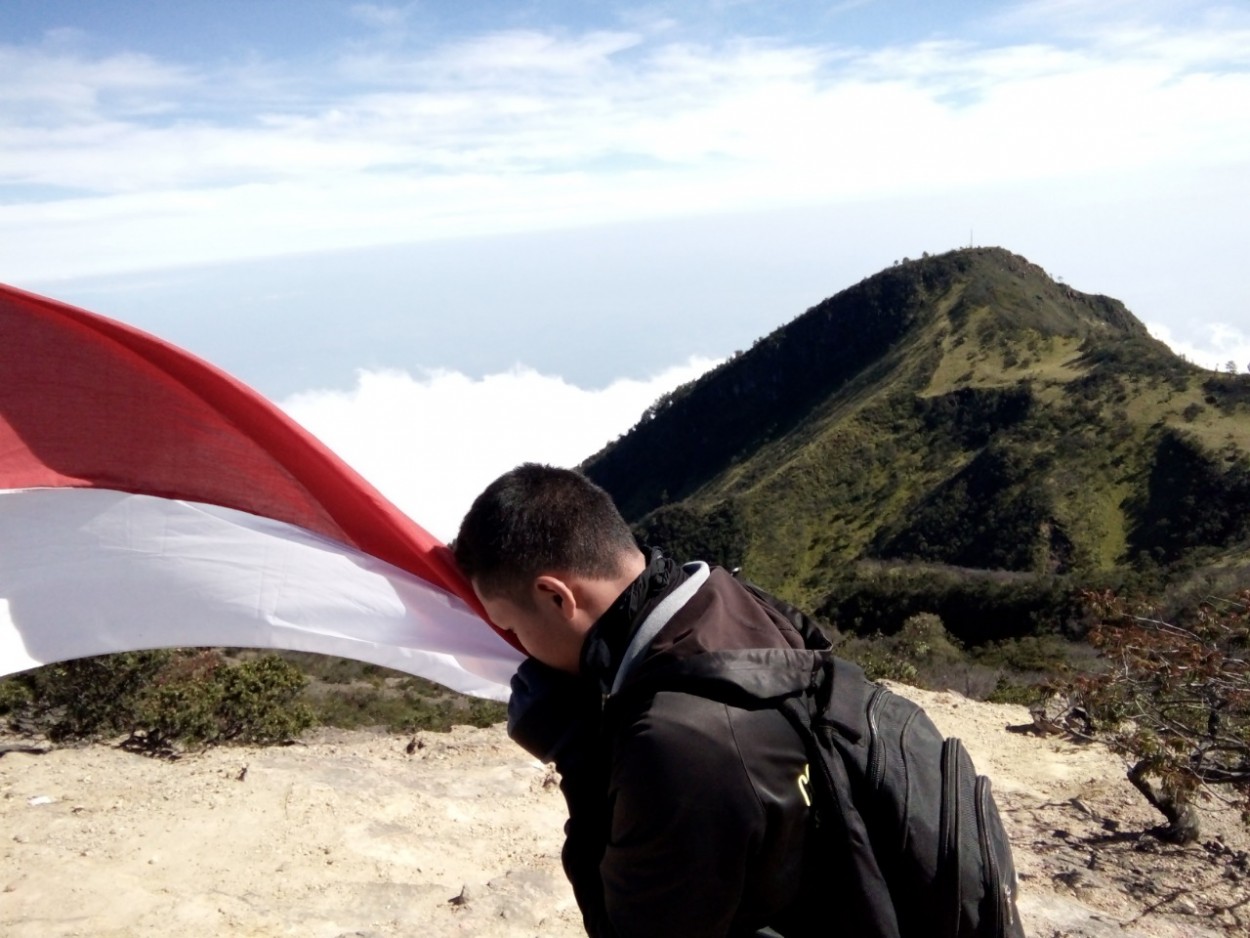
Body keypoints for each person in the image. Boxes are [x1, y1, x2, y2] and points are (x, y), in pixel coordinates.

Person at [453, 463, 833, 937]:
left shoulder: (674, 742)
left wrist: (581, 763)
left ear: (556, 597)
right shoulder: (736, 602)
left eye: (510, 627)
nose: (517, 646)